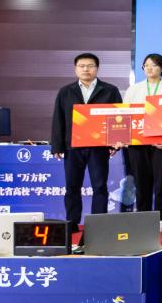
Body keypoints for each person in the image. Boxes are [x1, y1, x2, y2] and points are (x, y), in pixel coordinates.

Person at [51, 53, 123, 239]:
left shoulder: (110, 90)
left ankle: (99, 223)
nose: (86, 69)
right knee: (72, 186)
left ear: (97, 68)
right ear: (75, 69)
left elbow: (118, 118)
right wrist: (57, 145)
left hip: (99, 147)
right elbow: (58, 119)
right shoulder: (65, 92)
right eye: (82, 66)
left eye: (90, 66)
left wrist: (115, 143)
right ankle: (72, 222)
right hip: (72, 147)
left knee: (100, 186)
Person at [122, 53, 162, 229]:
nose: (149, 68)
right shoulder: (134, 89)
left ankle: (161, 218)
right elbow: (126, 116)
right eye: (146, 65)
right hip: (138, 144)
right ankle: (143, 215)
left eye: (154, 65)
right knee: (141, 182)